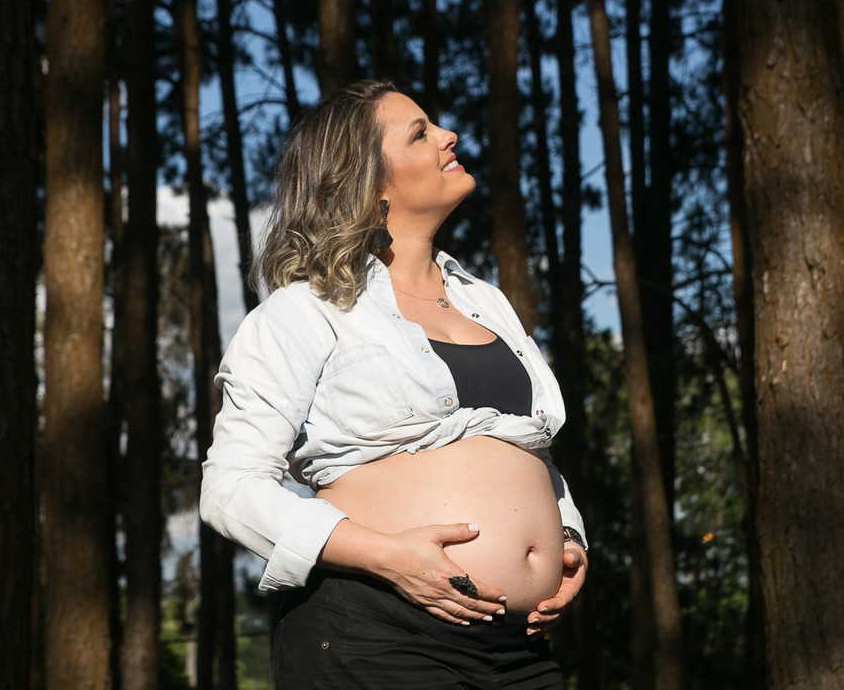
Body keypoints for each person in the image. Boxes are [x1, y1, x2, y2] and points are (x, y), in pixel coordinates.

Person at [200, 79, 588, 689]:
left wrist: (567, 539)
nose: (448, 135)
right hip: (378, 635)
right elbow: (230, 490)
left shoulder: (484, 301)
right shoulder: (303, 311)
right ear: (371, 182)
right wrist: (391, 557)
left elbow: (526, 450)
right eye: (421, 132)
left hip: (519, 649)